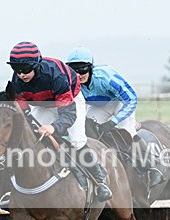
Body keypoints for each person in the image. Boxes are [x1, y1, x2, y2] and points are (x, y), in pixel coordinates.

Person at [7, 41, 112, 202]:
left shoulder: (56, 76)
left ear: (37, 65)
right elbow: (24, 111)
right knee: (30, 139)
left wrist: (54, 127)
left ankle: (100, 180)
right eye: (16, 69)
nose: (21, 74)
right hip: (42, 105)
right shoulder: (17, 81)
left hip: (70, 101)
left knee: (77, 140)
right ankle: (16, 187)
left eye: (26, 69)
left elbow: (68, 114)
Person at [65, 46, 163, 187]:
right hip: (98, 106)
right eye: (74, 70)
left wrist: (114, 122)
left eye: (82, 69)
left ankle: (153, 167)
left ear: (91, 67)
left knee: (127, 131)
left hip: (119, 103)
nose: (78, 74)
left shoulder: (106, 77)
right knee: (86, 131)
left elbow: (131, 99)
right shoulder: (70, 83)